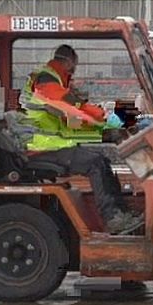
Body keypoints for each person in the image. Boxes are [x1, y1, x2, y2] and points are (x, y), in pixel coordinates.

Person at [16, 44, 143, 235]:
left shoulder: (55, 81)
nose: (74, 71)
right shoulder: (47, 80)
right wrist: (104, 120)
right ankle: (112, 218)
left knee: (101, 160)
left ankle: (121, 212)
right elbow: (75, 109)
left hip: (51, 142)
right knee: (95, 163)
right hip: (40, 146)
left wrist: (102, 132)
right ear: (69, 61)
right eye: (74, 65)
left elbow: (69, 120)